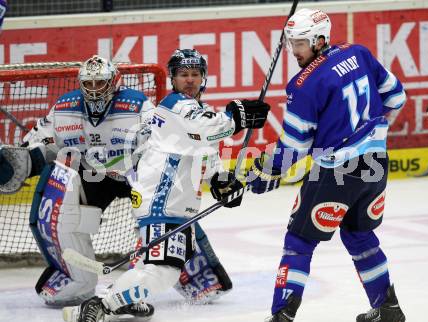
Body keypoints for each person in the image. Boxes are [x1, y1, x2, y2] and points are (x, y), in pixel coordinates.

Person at [61, 48, 270, 322]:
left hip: (170, 203)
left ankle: (115, 300)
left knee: (153, 268)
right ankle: (101, 305)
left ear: (204, 77)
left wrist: (221, 181)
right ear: (173, 78)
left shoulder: (196, 112)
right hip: (163, 202)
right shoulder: (175, 105)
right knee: (164, 272)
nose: (190, 80)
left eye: (196, 74)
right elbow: (209, 128)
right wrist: (235, 115)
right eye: (183, 74)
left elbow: (204, 152)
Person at [245, 8, 407, 322]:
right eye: (291, 43)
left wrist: (265, 173)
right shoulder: (358, 53)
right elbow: (397, 97)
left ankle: (281, 316)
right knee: (359, 236)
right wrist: (366, 128)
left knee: (298, 241)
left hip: (337, 171)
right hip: (375, 163)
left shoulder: (303, 85)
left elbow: (293, 147)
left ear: (320, 40)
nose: (294, 51)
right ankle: (388, 308)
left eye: (301, 43)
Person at [0, 55, 159, 319]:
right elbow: (38, 143)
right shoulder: (64, 107)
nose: (95, 88)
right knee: (65, 200)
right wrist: (23, 160)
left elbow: (160, 142)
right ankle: (80, 280)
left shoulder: (137, 105)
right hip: (95, 177)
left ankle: (161, 274)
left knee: (154, 220)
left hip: (135, 175)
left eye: (101, 82)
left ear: (114, 82)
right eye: (90, 83)